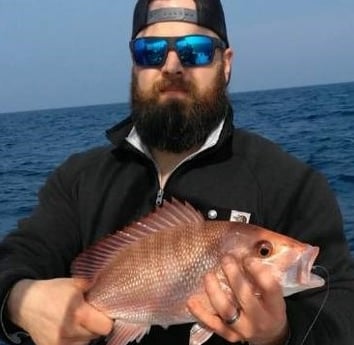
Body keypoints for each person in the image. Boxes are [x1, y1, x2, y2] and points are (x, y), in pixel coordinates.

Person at [1, 0, 354, 344]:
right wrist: (17, 300)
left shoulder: (293, 185)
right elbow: (17, 256)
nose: (171, 66)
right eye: (150, 52)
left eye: (195, 50)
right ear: (134, 65)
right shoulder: (78, 180)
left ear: (225, 63)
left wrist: (281, 335)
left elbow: (342, 307)